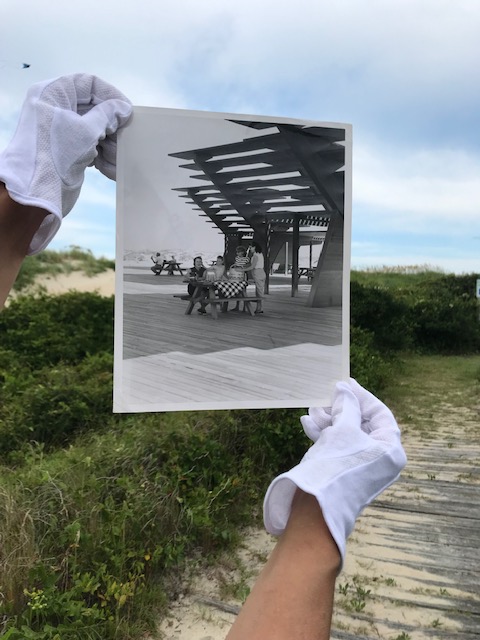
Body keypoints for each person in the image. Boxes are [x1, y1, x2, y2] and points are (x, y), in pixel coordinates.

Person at [0, 75, 408, 640]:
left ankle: (204, 310)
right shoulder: (231, 251)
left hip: (222, 289)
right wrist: (318, 519)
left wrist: (18, 212)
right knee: (207, 293)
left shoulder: (245, 257)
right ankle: (203, 310)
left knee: (212, 293)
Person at [243, 241, 267, 314]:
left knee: (259, 292)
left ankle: (261, 308)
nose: (250, 249)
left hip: (258, 273)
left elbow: (252, 266)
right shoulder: (259, 254)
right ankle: (258, 308)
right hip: (261, 272)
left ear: (255, 247)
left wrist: (242, 269)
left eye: (251, 247)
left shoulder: (256, 255)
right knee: (258, 291)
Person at [229, 245, 249, 311]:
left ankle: (244, 307)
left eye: (239, 252)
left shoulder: (246, 259)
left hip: (243, 275)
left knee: (243, 291)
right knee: (237, 290)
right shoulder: (237, 258)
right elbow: (235, 265)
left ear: (242, 252)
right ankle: (237, 306)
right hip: (236, 275)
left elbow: (247, 266)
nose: (237, 253)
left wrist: (242, 267)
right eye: (237, 252)